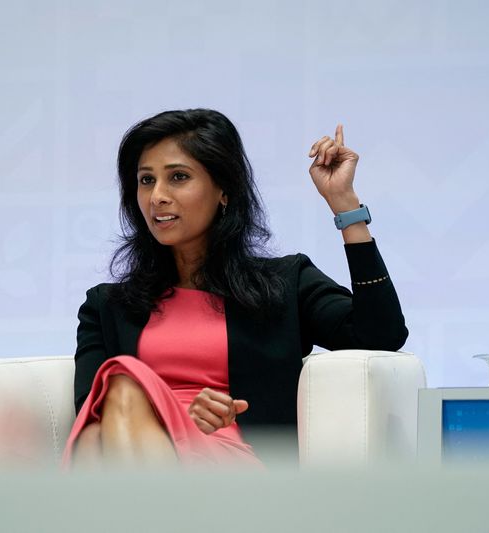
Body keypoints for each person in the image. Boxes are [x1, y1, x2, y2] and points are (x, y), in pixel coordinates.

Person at [62, 109, 407, 469]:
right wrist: (164, 423)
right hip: (133, 452)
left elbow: (381, 334)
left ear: (223, 190)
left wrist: (346, 206)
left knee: (121, 391)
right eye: (146, 181)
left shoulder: (284, 283)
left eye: (178, 177)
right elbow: (91, 415)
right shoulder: (106, 305)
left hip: (232, 462)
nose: (157, 196)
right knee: (118, 390)